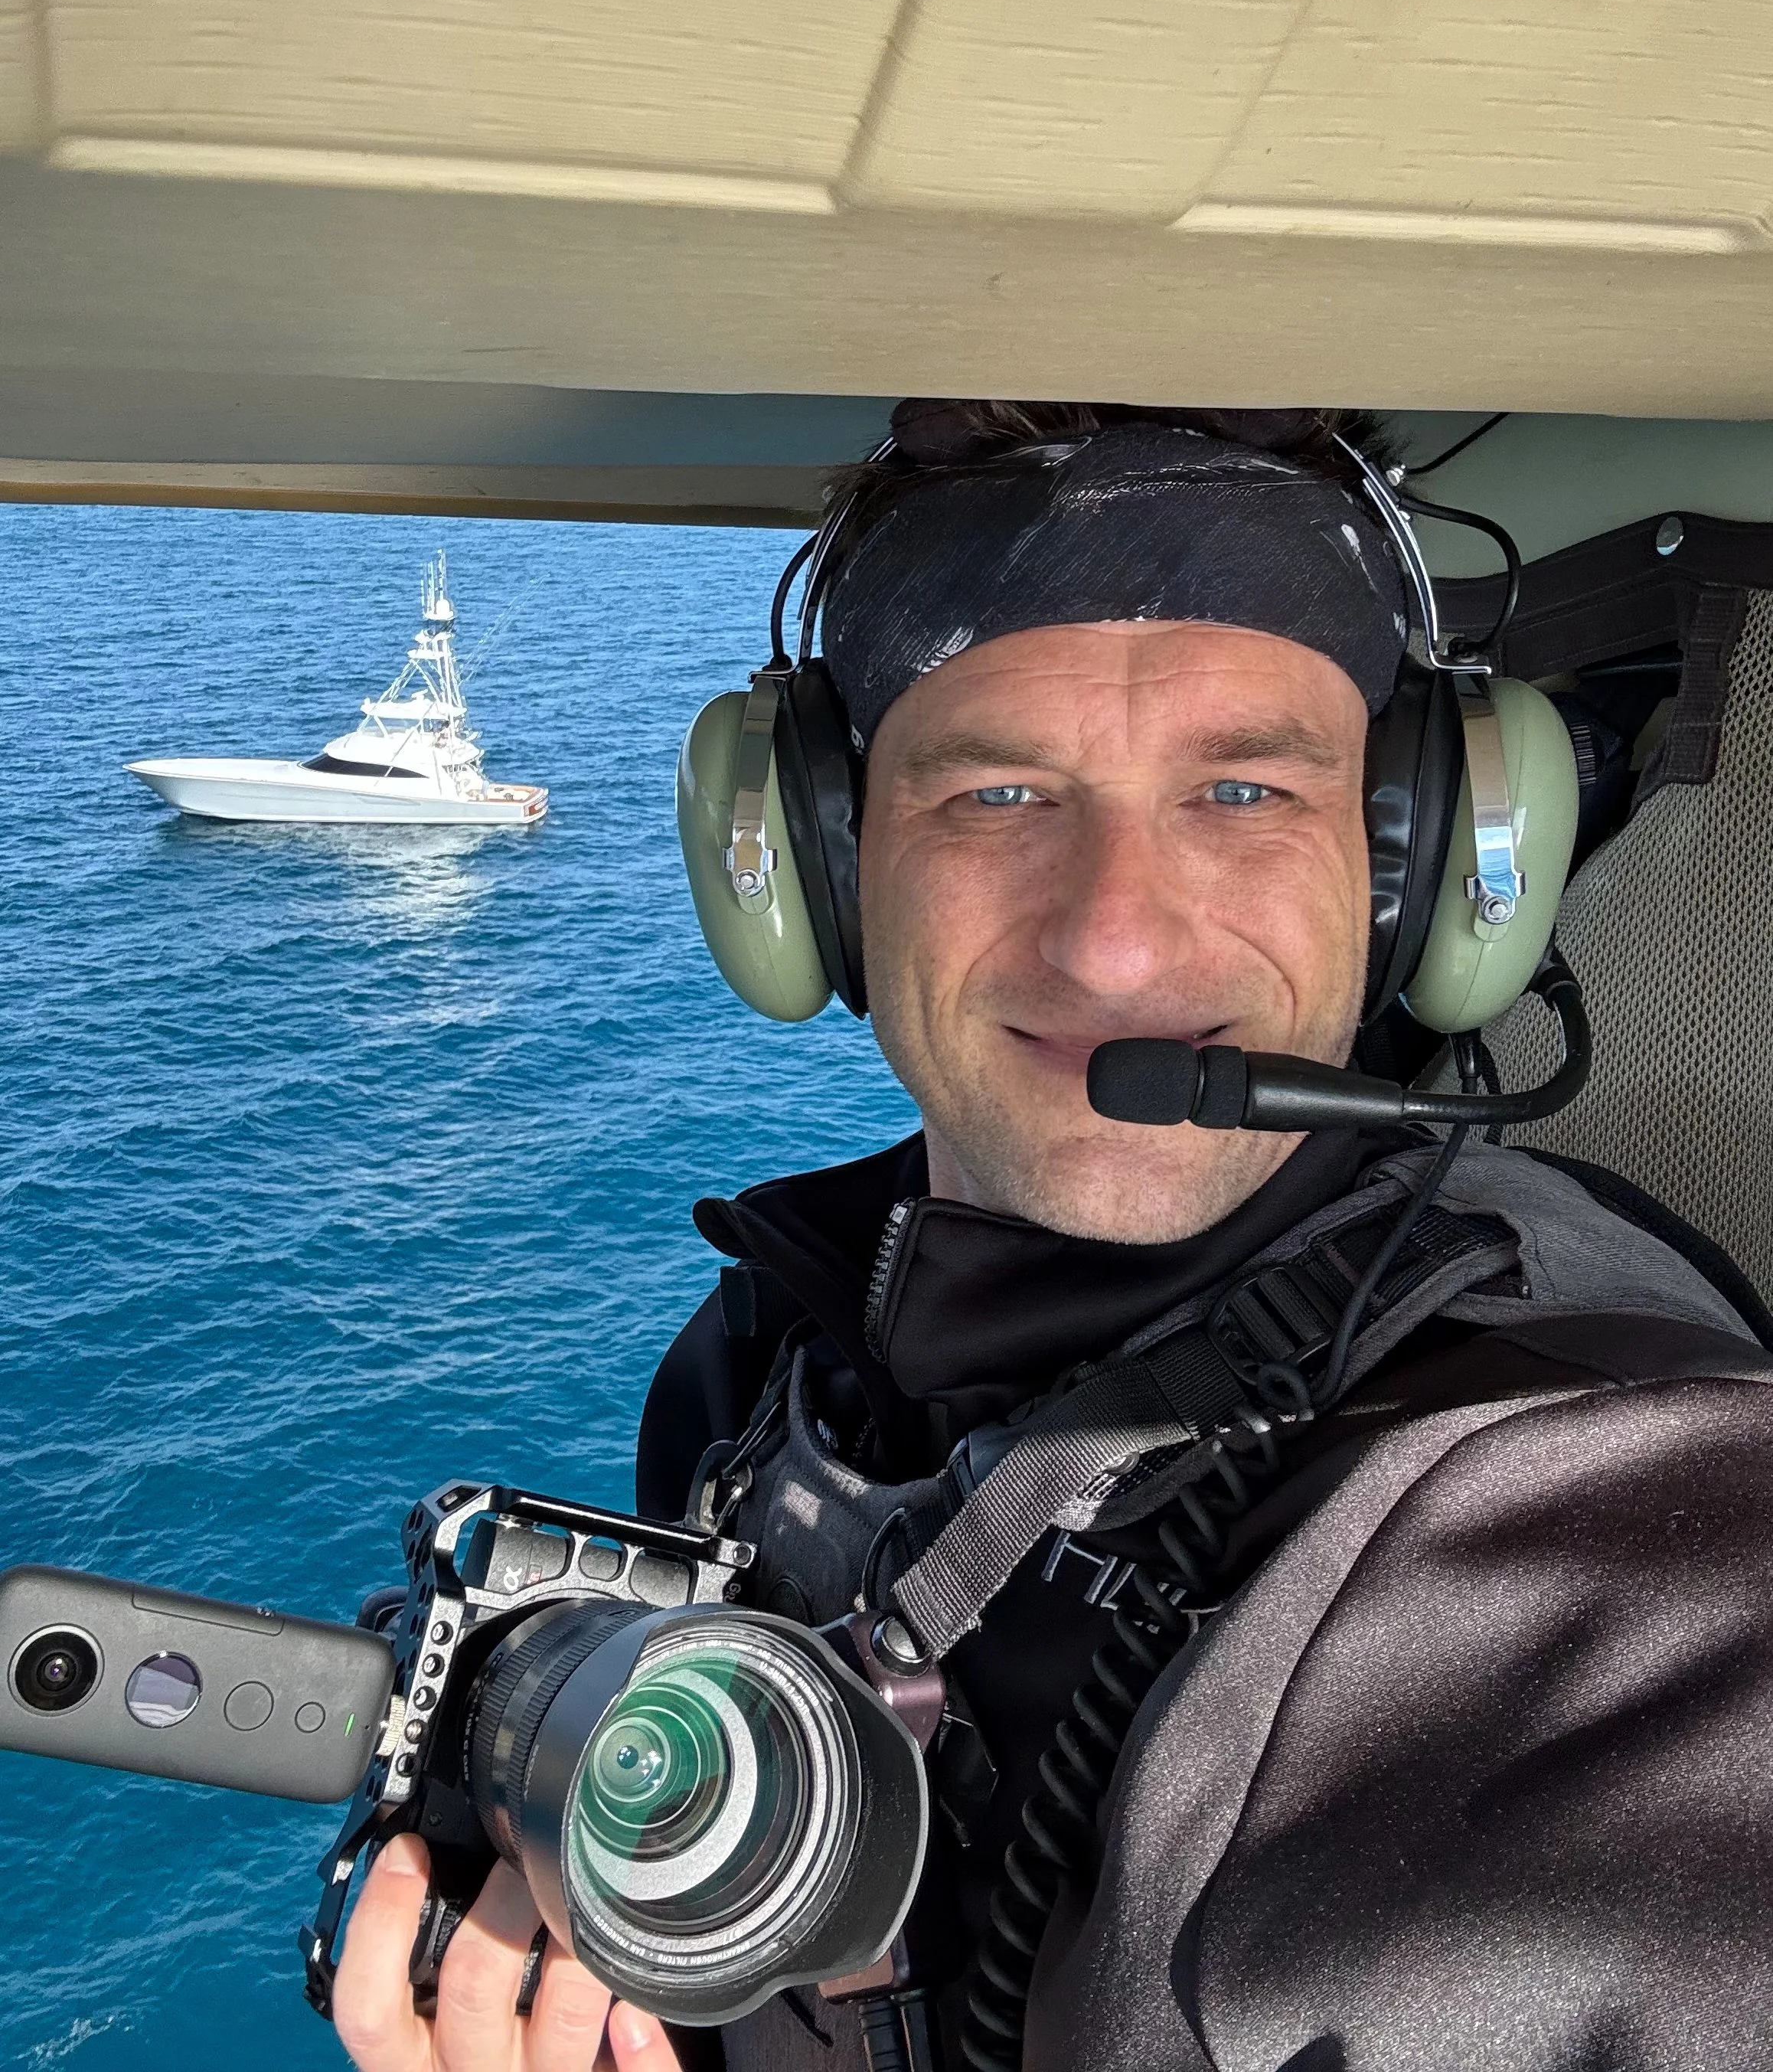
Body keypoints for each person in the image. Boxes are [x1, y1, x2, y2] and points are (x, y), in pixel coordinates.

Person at [334, 403, 1773, 2072]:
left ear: (1424, 870)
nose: (1113, 940)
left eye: (1243, 787)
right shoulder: (759, 1357)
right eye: (999, 793)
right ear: (816, 865)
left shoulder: (1620, 1528)